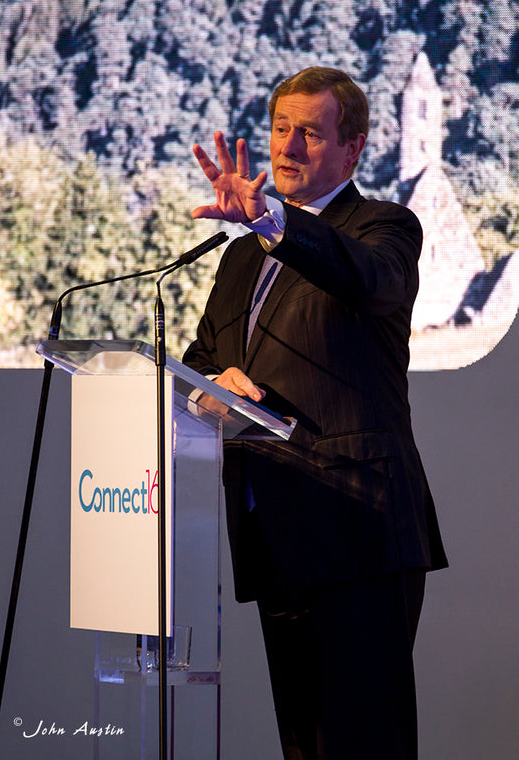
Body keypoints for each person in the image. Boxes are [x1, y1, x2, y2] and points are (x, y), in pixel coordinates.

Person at [182, 66, 447, 760]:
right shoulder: (239, 258)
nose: (287, 147)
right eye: (278, 129)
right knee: (302, 746)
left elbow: (363, 277)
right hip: (275, 530)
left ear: (353, 147)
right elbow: (199, 356)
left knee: (364, 745)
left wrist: (273, 218)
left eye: (308, 132)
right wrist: (207, 387)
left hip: (357, 530)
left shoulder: (384, 228)